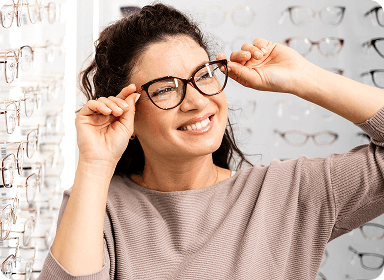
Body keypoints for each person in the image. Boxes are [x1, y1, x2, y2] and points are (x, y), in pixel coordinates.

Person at [37, 3, 384, 280]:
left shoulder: (290, 193)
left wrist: (306, 78)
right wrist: (95, 166)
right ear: (127, 114)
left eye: (203, 75)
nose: (198, 100)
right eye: (166, 88)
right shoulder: (98, 205)